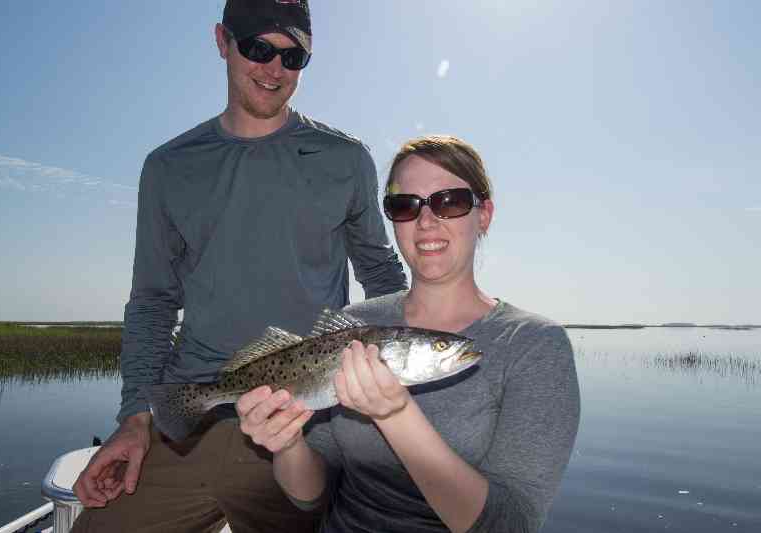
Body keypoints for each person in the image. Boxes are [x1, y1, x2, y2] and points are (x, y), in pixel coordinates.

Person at [71, 1, 407, 532]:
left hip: (307, 424)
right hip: (193, 417)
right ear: (222, 41)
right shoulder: (168, 167)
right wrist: (135, 418)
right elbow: (153, 302)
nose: (274, 69)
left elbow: (382, 276)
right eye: (257, 49)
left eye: (293, 57)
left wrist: (397, 389)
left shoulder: (346, 159)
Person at [238, 135, 581, 533]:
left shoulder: (534, 345)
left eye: (449, 201)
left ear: (483, 214)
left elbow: (510, 525)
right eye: (405, 206)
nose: (426, 221)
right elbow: (310, 493)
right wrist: (287, 445)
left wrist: (396, 415)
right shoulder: (353, 325)